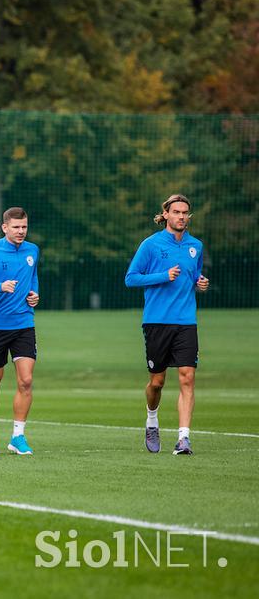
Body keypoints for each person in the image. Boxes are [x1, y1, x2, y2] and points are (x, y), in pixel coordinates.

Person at [125, 194, 208, 455]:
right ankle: (152, 421)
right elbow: (131, 279)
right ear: (166, 215)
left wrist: (200, 283)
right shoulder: (150, 245)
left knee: (188, 377)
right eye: (176, 212)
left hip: (186, 322)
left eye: (185, 213)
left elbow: (194, 276)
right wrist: (163, 275)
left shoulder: (196, 246)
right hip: (157, 321)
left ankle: (184, 439)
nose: (181, 216)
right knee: (157, 382)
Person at [0, 207, 40, 456]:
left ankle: (18, 436)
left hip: (24, 324)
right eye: (16, 227)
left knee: (26, 381)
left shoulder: (32, 251)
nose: (21, 231)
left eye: (24, 227)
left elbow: (32, 277)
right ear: (5, 228)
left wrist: (35, 294)